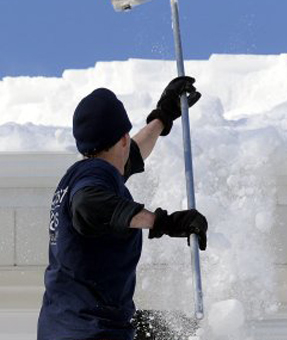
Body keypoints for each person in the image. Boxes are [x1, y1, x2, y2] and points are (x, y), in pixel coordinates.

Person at [37, 76, 208, 340]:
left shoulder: (83, 175)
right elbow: (89, 206)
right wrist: (163, 222)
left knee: (172, 328)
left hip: (74, 326)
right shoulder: (93, 181)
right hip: (90, 331)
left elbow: (135, 153)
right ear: (123, 139)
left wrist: (163, 116)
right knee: (179, 331)